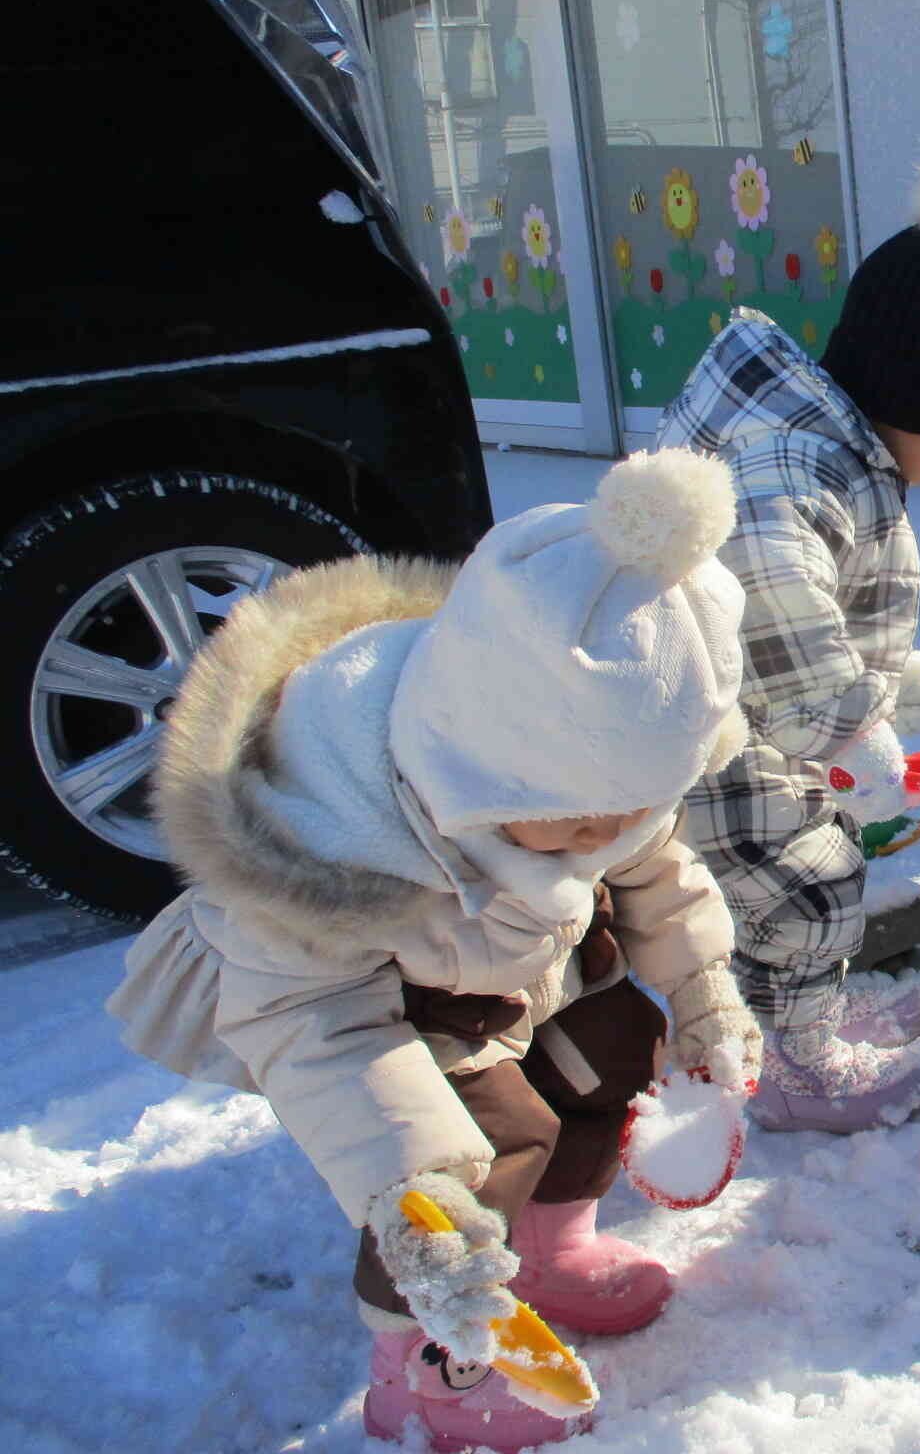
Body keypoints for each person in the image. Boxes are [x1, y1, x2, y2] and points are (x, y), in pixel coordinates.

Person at [105, 449, 762, 1449]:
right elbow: (315, 1027)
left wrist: (704, 987)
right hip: (386, 1003)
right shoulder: (322, 829)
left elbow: (657, 871)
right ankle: (426, 1360)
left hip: (517, 967)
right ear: (473, 767)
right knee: (467, 1158)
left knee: (615, 1046)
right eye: (578, 819)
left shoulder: (597, 795)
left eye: (634, 806)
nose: (606, 838)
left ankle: (546, 1251)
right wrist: (415, 1196)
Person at [654, 132, 920, 1133]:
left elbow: (828, 584)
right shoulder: (793, 463)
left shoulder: (828, 445)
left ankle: (794, 1016)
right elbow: (766, 576)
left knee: (792, 884)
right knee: (806, 885)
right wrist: (848, 727)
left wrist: (887, 675)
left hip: (742, 716)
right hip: (704, 737)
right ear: (914, 394)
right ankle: (791, 1062)